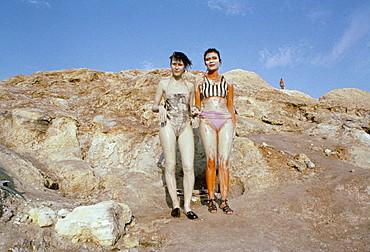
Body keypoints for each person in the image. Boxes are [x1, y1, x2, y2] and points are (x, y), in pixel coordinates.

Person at [152, 52, 198, 220]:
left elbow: (193, 107)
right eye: (174, 64)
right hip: (168, 125)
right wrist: (160, 108)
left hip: (185, 125)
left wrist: (195, 111)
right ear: (170, 65)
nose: (176, 67)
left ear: (185, 66)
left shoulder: (191, 86)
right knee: (170, 165)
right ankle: (175, 204)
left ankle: (187, 206)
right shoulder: (163, 83)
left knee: (188, 166)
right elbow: (154, 106)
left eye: (180, 64)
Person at [194, 48, 236, 214]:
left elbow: (231, 104)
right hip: (207, 120)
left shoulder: (228, 81)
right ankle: (211, 199)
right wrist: (195, 111)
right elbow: (197, 104)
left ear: (220, 61)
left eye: (214, 58)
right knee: (211, 160)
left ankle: (224, 200)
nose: (211, 61)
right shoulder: (199, 82)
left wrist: (234, 126)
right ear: (205, 62)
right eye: (208, 59)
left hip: (225, 119)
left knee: (224, 161)